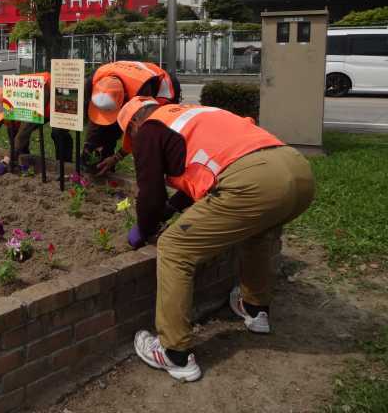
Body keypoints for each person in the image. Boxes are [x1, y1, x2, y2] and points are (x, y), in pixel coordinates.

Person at [116, 96, 315, 382]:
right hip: (298, 171)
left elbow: (150, 195)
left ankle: (174, 354)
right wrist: (172, 210)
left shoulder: (148, 128)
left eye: (130, 137)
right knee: (256, 232)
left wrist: (145, 229)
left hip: (255, 182)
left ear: (134, 124)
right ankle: (254, 309)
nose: (134, 144)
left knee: (174, 247)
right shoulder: (193, 114)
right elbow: (207, 170)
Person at [82, 61, 180, 175]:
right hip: (133, 77)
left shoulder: (142, 94)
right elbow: (96, 124)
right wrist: (88, 148)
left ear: (125, 99)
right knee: (104, 131)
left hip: (162, 89)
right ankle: (104, 163)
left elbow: (138, 134)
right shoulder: (95, 79)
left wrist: (116, 157)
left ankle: (157, 173)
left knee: (151, 138)